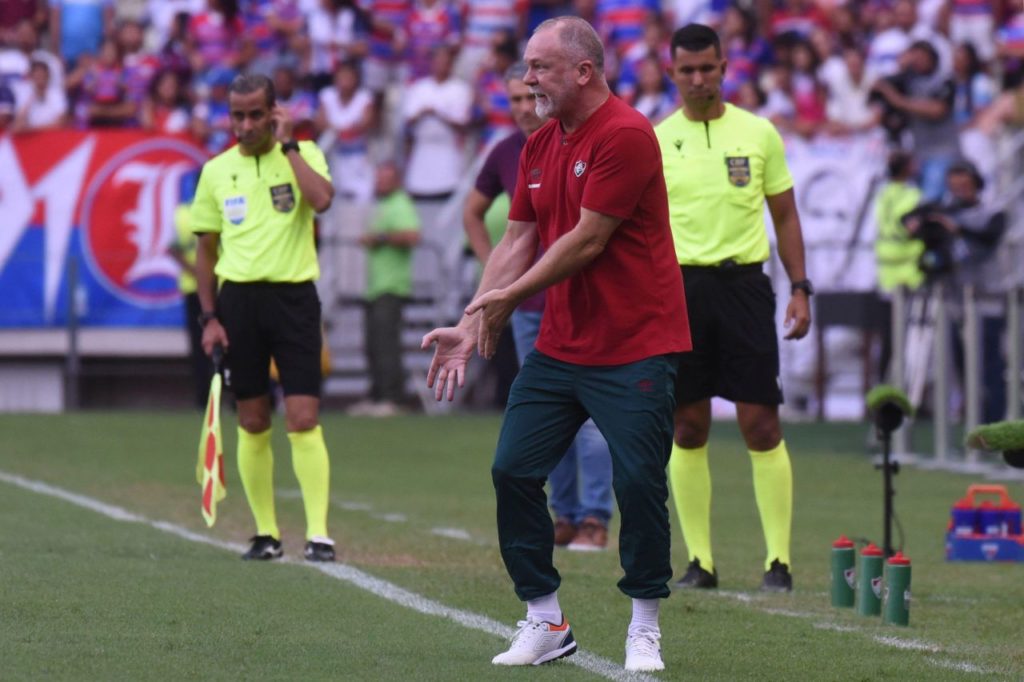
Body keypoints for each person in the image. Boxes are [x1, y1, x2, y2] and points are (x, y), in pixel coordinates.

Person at [423, 16, 690, 673]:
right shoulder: (541, 144)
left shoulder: (627, 134)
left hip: (636, 343)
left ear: (584, 72)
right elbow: (517, 240)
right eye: (526, 66)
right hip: (562, 343)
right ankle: (546, 618)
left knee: (637, 481)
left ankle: (645, 626)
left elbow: (587, 240)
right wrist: (470, 317)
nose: (528, 78)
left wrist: (507, 300)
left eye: (540, 67)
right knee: (512, 469)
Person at [654, 24, 811, 593]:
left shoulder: (759, 132)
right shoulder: (655, 139)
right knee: (688, 425)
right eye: (688, 70)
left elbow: (786, 215)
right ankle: (701, 562)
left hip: (745, 287)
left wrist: (800, 286)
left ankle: (779, 562)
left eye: (708, 68)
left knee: (761, 423)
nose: (699, 79)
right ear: (671, 73)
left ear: (724, 68)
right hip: (679, 292)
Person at [463, 60, 615, 551]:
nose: (525, 108)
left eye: (531, 97)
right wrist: (495, 283)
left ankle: (595, 516)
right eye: (515, 100)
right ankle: (565, 514)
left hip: (584, 303)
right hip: (529, 308)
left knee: (591, 419)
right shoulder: (511, 151)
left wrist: (510, 285)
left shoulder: (588, 139)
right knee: (550, 418)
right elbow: (495, 225)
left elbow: (589, 235)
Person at [191, 73, 337, 563]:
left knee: (303, 417)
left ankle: (318, 534)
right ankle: (265, 533)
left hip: (295, 300)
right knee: (252, 420)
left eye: (257, 114)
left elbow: (322, 201)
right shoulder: (215, 170)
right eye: (238, 115)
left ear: (275, 112)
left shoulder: (303, 153)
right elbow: (206, 251)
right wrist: (209, 316)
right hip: (238, 305)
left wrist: (290, 144)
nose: (246, 124)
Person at [348, 161, 421, 417]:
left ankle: (393, 397)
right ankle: (378, 395)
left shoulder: (401, 203)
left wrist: (378, 238)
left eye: (385, 178)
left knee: (386, 344)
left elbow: (412, 236)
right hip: (376, 287)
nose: (380, 182)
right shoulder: (383, 205)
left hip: (391, 286)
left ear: (396, 180)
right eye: (378, 177)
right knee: (373, 344)